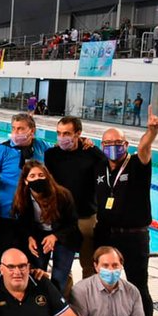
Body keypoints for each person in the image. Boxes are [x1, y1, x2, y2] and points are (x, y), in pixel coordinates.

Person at [94, 108, 158, 316]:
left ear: (126, 144)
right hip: (106, 234)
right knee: (104, 284)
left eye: (118, 142)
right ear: (102, 146)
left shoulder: (136, 164)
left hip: (134, 236)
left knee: (138, 286)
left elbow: (144, 147)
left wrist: (151, 132)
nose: (113, 146)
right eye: (107, 143)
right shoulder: (100, 167)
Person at [44, 116, 106, 278]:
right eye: (59, 133)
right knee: (61, 267)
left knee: (89, 264)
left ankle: (89, 299)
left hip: (86, 218)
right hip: (61, 220)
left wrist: (91, 144)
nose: (62, 138)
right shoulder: (51, 155)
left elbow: (107, 174)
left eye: (67, 133)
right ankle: (65, 300)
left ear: (78, 133)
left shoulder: (92, 154)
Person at [11, 160, 81, 292]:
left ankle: (58, 302)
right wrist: (29, 238)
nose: (37, 179)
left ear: (47, 177)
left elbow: (72, 224)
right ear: (26, 181)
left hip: (63, 235)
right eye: (32, 176)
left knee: (59, 277)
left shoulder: (63, 195)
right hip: (38, 235)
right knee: (37, 273)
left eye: (41, 175)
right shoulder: (21, 199)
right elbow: (21, 224)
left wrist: (55, 236)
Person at [0, 113, 50, 236]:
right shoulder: (3, 150)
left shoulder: (41, 146)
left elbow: (60, 150)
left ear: (32, 131)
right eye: (13, 128)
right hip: (7, 212)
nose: (16, 132)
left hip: (36, 214)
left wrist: (83, 141)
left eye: (20, 128)